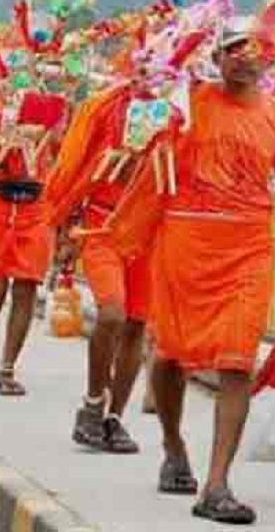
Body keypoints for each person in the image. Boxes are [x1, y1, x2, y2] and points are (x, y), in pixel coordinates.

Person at [106, 16, 275, 524]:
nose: (245, 55)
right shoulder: (187, 106)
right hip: (185, 242)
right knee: (171, 355)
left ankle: (217, 483)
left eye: (254, 48)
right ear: (217, 58)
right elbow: (142, 154)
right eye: (233, 48)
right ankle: (174, 445)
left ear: (268, 57)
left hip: (247, 248)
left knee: (237, 360)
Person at [44, 80, 181, 452]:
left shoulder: (181, 114)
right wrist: (66, 229)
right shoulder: (107, 108)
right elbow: (80, 164)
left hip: (149, 234)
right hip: (102, 226)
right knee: (112, 314)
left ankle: (115, 418)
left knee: (137, 323)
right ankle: (92, 402)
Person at [0, 90, 66, 396]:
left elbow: (63, 153)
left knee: (26, 286)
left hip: (35, 207)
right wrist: (0, 130)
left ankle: (7, 370)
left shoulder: (57, 105)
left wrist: (49, 133)